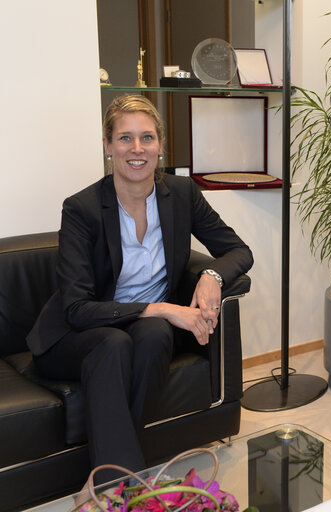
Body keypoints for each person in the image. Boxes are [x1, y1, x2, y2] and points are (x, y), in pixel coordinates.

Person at [26, 94, 253, 483]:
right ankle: (124, 484)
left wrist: (211, 276)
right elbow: (77, 308)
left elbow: (237, 249)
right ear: (108, 146)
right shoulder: (81, 209)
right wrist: (164, 307)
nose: (137, 149)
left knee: (152, 335)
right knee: (119, 341)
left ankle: (108, 483)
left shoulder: (181, 195)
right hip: (74, 336)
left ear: (160, 145)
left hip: (140, 330)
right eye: (125, 138)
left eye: (147, 138)